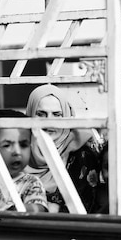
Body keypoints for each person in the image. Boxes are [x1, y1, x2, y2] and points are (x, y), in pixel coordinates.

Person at [25, 85, 102, 213]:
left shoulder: (81, 156)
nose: (49, 121)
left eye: (57, 114)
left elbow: (86, 209)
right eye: (41, 114)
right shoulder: (19, 149)